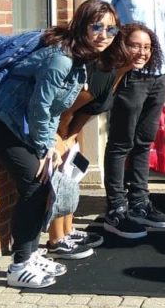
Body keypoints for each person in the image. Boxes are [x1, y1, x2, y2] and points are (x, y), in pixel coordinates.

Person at [0, 0, 119, 288]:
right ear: (82, 25)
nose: (104, 35)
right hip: (0, 115)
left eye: (111, 30)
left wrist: (51, 141)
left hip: (22, 120)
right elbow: (40, 107)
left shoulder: (80, 59)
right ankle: (19, 266)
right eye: (97, 27)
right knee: (35, 184)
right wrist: (47, 146)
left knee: (41, 183)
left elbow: (54, 107)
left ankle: (31, 256)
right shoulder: (62, 60)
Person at [45, 24, 156, 257]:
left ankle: (68, 231)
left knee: (71, 175)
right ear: (121, 46)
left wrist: (73, 136)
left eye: (147, 47)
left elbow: (88, 111)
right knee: (60, 177)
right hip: (52, 126)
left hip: (68, 129)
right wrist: (62, 138)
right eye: (135, 46)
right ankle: (57, 241)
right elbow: (66, 109)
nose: (143, 52)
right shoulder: (104, 73)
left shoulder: (120, 72)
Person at [96, 0, 165, 238]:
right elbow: (99, 20)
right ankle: (115, 209)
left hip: (158, 72)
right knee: (120, 143)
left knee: (145, 141)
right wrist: (120, 60)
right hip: (130, 74)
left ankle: (139, 202)